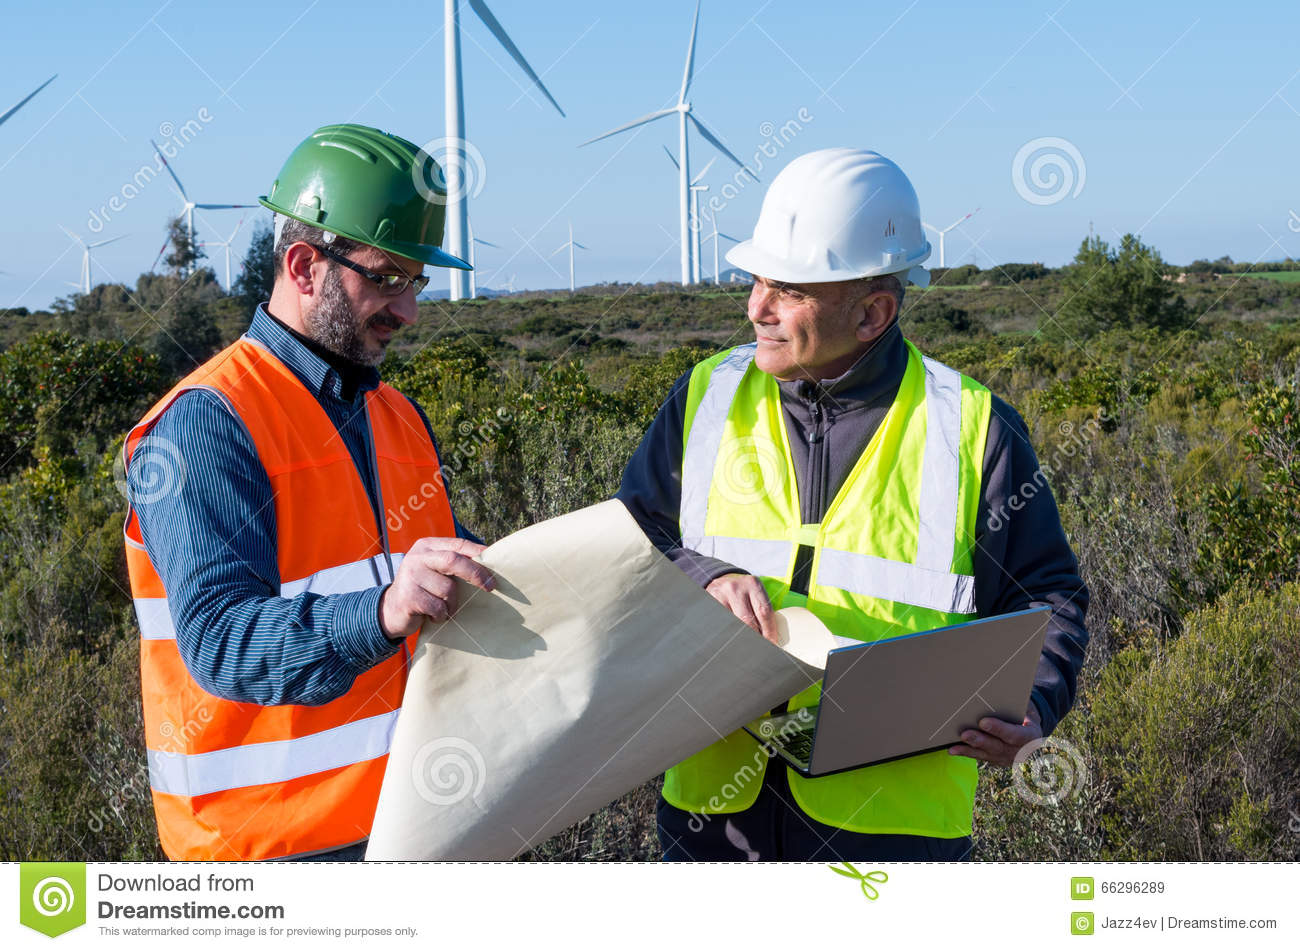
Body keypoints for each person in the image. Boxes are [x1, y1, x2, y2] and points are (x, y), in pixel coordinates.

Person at [617, 148, 1089, 861]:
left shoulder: (973, 427)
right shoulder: (704, 397)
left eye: (788, 290)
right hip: (712, 824)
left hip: (890, 839)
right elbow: (630, 541)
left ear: (873, 312)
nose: (756, 308)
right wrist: (703, 576)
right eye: (755, 280)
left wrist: (1037, 703)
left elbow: (1047, 594)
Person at [123, 123, 496, 861]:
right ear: (302, 265)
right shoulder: (207, 423)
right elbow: (223, 642)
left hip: (407, 827)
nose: (409, 310)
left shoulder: (399, 418)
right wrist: (385, 609)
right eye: (386, 277)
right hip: (263, 855)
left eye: (416, 281)